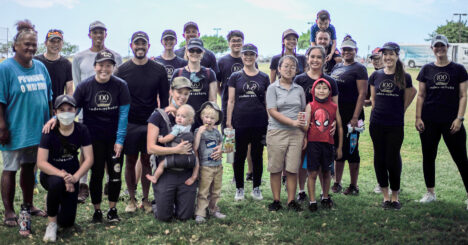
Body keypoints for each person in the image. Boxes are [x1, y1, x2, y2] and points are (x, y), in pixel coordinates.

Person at [43, 50, 131, 222]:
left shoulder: (121, 85)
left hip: (114, 138)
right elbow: (71, 108)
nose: (104, 69)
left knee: (115, 173)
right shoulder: (85, 86)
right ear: (95, 66)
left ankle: (112, 210)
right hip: (94, 138)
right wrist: (55, 118)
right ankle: (97, 210)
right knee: (96, 174)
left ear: (113, 67)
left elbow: (123, 114)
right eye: (101, 65)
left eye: (108, 65)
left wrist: (120, 140)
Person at [0, 20, 51, 231]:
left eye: (33, 44)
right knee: (10, 169)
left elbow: (49, 96)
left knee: (29, 169)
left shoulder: (40, 66)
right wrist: (2, 126)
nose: (30, 48)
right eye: (26, 44)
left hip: (37, 130)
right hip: (14, 130)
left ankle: (28, 205)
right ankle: (9, 210)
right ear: (16, 46)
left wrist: (51, 120)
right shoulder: (6, 68)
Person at [114, 31, 169, 213]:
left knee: (147, 160)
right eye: (136, 44)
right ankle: (131, 199)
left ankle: (145, 200)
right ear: (131, 46)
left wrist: (162, 124)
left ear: (148, 46)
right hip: (129, 123)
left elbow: (165, 100)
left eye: (143, 44)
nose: (140, 47)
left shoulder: (158, 69)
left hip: (150, 123)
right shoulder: (122, 70)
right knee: (130, 161)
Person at [72, 20, 123, 203]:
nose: (98, 35)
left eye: (101, 32)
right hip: (87, 112)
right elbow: (77, 85)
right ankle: (83, 185)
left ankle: (110, 184)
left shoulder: (116, 56)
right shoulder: (79, 57)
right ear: (89, 34)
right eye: (95, 32)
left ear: (106, 34)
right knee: (87, 151)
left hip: (109, 111)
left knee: (109, 151)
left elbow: (117, 85)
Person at [415, 34, 468, 208]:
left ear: (447, 47)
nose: (439, 49)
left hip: (452, 122)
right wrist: (418, 117)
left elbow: (463, 95)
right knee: (428, 157)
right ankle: (430, 193)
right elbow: (421, 95)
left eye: (442, 46)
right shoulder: (426, 70)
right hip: (429, 121)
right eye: (436, 46)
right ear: (432, 49)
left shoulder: (458, 69)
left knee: (461, 158)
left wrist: (459, 119)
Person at [37, 95, 93, 242]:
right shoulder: (48, 131)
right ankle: (51, 224)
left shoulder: (82, 130)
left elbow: (89, 159)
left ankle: (53, 201)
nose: (66, 113)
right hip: (50, 175)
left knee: (67, 222)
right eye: (62, 110)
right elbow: (41, 163)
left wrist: (75, 178)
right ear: (55, 112)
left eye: (70, 109)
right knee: (56, 183)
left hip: (72, 176)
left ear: (76, 111)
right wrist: (63, 175)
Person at [147, 77, 202, 222]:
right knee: (164, 217)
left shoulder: (190, 118)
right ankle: (158, 202)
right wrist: (175, 150)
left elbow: (195, 146)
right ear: (171, 91)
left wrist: (195, 174)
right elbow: (150, 148)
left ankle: (178, 200)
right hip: (166, 171)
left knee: (185, 216)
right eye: (179, 92)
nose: (182, 97)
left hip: (186, 171)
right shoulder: (158, 116)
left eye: (186, 93)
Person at [369, 42, 416, 210]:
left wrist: (400, 110)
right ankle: (385, 196)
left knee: (392, 159)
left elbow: (412, 93)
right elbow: (373, 101)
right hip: (376, 124)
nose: (388, 57)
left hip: (395, 124)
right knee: (379, 158)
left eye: (391, 54)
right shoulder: (375, 76)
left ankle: (395, 196)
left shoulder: (405, 76)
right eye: (385, 54)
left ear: (397, 56)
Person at [293, 46, 339, 203]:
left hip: (323, 129)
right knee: (302, 160)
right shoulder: (299, 79)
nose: (315, 60)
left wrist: (333, 123)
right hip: (303, 125)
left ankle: (323, 194)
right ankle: (301, 190)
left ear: (325, 59)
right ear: (307, 58)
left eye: (319, 57)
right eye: (312, 56)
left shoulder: (330, 81)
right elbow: (295, 104)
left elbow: (334, 107)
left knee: (321, 164)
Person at [227, 43, 270, 201]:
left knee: (257, 155)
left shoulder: (264, 77)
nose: (248, 57)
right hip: (239, 122)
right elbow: (231, 101)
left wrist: (269, 122)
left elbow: (267, 102)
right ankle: (239, 189)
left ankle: (256, 188)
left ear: (256, 57)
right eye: (245, 54)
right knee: (239, 156)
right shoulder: (235, 77)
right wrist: (228, 122)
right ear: (242, 56)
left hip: (259, 122)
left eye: (251, 54)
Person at [266, 55, 306, 212]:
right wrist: (292, 123)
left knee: (292, 168)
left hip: (296, 134)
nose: (289, 69)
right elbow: (272, 111)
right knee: (276, 168)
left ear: (296, 70)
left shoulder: (299, 89)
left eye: (293, 67)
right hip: (276, 132)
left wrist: (304, 133)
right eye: (286, 66)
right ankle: (276, 200)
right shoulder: (272, 88)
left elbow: (302, 111)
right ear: (279, 69)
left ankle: (291, 201)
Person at [330, 35, 368, 195]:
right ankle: (337, 183)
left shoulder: (359, 68)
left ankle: (353, 185)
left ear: (355, 51)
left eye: (349, 49)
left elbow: (362, 94)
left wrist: (355, 116)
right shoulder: (337, 67)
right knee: (339, 149)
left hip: (353, 117)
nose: (346, 52)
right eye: (344, 49)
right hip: (338, 116)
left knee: (352, 150)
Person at [217, 30, 254, 182]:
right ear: (229, 43)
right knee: (230, 141)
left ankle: (250, 172)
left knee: (250, 141)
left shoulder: (249, 59)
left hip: (247, 107)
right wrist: (225, 97)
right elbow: (218, 84)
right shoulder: (222, 61)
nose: (236, 43)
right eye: (233, 41)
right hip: (229, 108)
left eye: (239, 40)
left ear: (243, 42)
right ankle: (235, 173)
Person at [304, 78, 343, 212]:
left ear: (330, 91)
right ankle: (312, 200)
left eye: (324, 88)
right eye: (318, 88)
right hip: (313, 144)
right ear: (313, 90)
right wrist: (304, 124)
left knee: (326, 172)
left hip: (328, 144)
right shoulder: (310, 105)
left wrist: (340, 147)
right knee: (312, 173)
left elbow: (340, 127)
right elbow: (305, 127)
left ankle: (325, 197)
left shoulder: (334, 106)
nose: (321, 91)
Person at [171, 38, 217, 127]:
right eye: (192, 50)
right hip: (183, 122)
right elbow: (171, 98)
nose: (194, 53)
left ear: (202, 53)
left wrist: (213, 124)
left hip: (203, 122)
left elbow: (213, 100)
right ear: (187, 52)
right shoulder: (178, 72)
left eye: (198, 51)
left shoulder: (209, 73)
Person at [146, 104, 195, 184]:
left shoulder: (178, 127)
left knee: (161, 164)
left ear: (189, 120)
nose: (179, 118)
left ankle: (155, 177)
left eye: (182, 116)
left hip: (176, 159)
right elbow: (183, 118)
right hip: (188, 159)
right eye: (178, 115)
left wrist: (162, 140)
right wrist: (179, 113)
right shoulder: (188, 126)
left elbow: (170, 137)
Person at [194, 102, 226, 223]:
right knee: (204, 190)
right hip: (206, 166)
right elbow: (195, 147)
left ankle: (214, 209)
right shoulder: (198, 131)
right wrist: (199, 134)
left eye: (212, 118)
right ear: (202, 117)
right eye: (207, 117)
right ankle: (200, 213)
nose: (209, 120)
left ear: (216, 120)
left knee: (216, 190)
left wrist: (221, 148)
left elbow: (223, 145)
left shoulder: (216, 132)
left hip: (218, 166)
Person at [34, 29, 73, 104]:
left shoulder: (67, 64)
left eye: (58, 41)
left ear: (62, 43)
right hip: (38, 107)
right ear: (45, 43)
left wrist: (67, 107)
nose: (55, 44)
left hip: (57, 109)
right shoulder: (35, 62)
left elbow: (69, 91)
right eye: (52, 41)